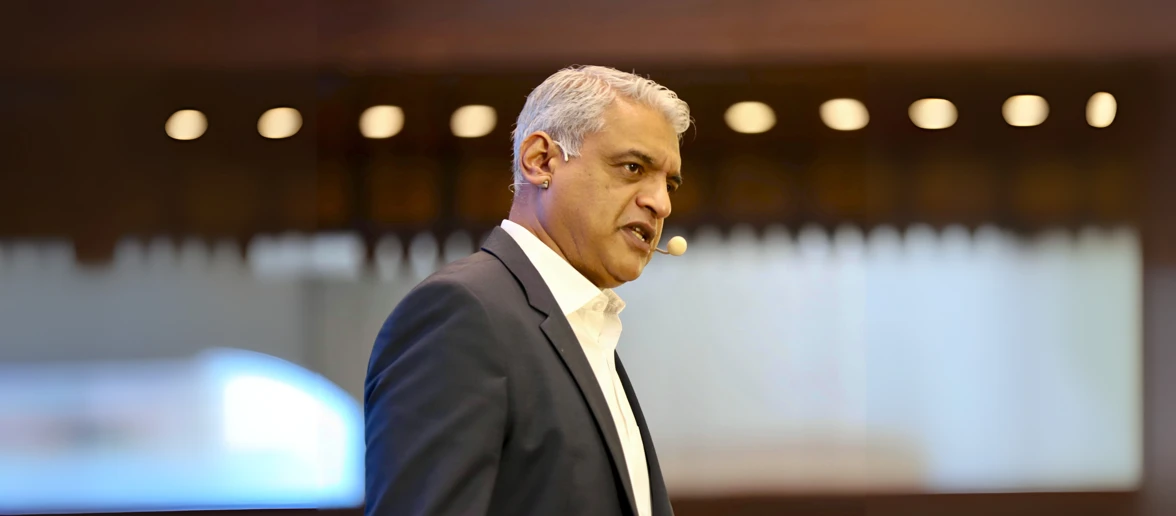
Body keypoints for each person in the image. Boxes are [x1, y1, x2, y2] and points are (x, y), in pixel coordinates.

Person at [363, 65, 691, 516]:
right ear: (541, 161)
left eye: (669, 184)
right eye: (633, 168)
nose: (661, 203)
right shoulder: (462, 314)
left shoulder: (584, 326)